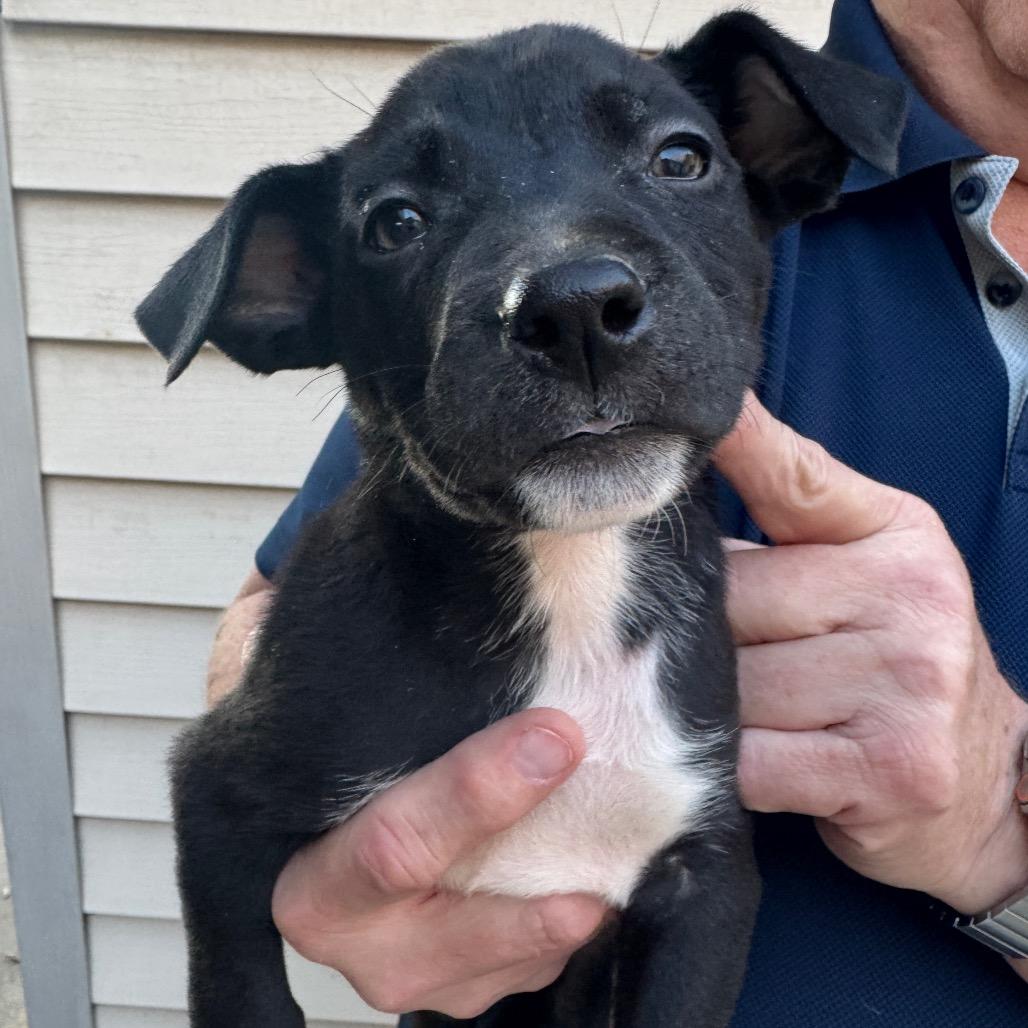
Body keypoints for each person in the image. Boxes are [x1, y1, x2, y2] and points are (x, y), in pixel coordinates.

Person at [207, 0, 1028, 1022]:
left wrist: (1001, 827)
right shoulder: (751, 123)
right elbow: (270, 624)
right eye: (402, 221)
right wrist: (350, 819)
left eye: (675, 163)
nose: (572, 291)